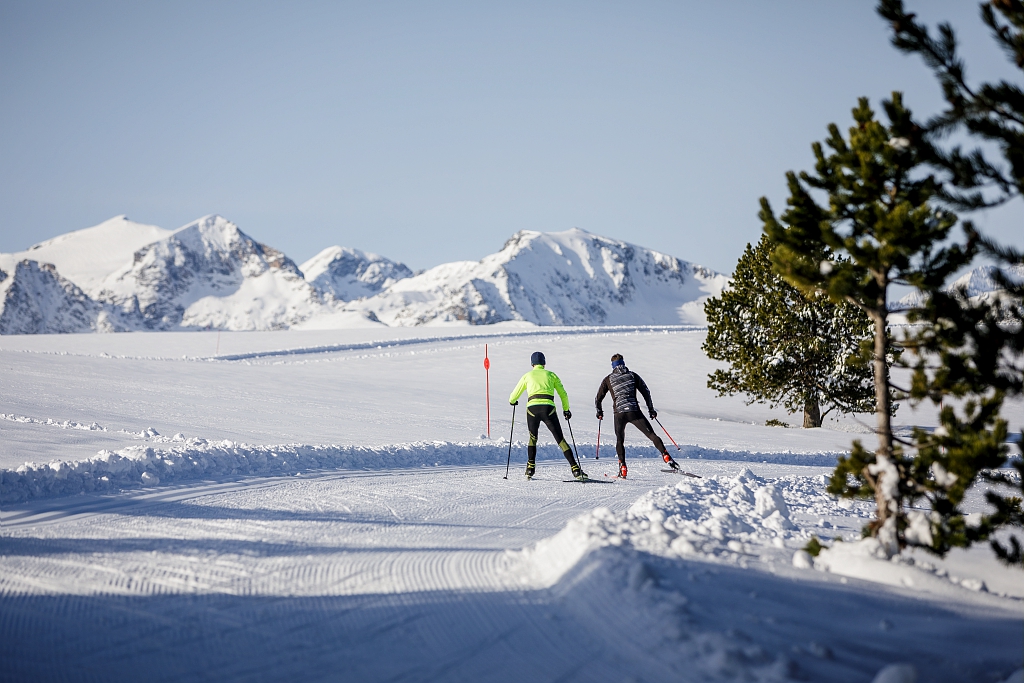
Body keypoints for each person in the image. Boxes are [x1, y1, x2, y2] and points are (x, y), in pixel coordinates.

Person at [595, 353, 680, 478]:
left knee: (620, 440)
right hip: (634, 411)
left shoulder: (608, 379)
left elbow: (598, 398)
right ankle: (666, 456)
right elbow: (646, 391)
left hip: (619, 413)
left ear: (612, 365)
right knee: (652, 435)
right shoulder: (633, 375)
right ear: (623, 363)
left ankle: (623, 467)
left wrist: (599, 411)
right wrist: (651, 409)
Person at [509, 351, 587, 481]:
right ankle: (575, 469)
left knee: (533, 438)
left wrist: (513, 401)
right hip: (548, 409)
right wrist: (566, 410)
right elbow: (563, 394)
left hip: (532, 410)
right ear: (544, 363)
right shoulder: (551, 375)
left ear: (532, 363)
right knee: (560, 439)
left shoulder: (527, 376)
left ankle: (530, 468)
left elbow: (513, 396)